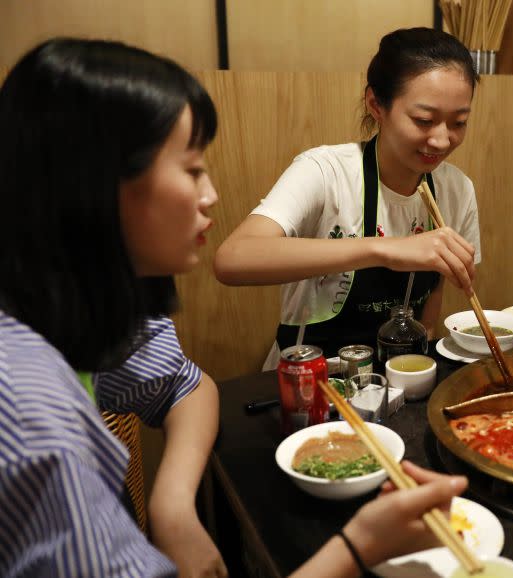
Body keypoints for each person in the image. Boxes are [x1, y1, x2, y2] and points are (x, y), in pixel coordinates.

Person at [0, 38, 466, 578]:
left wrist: (173, 509)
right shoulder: (32, 423)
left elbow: (183, 384)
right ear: (95, 186)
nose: (211, 195)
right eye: (192, 169)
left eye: (459, 122)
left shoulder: (78, 315)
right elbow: (237, 256)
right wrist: (359, 548)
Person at [215, 27, 481, 362]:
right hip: (311, 378)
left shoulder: (456, 189)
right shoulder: (325, 172)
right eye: (424, 120)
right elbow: (232, 260)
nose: (442, 140)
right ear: (376, 104)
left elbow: (434, 293)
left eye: (458, 123)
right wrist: (383, 249)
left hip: (398, 375)